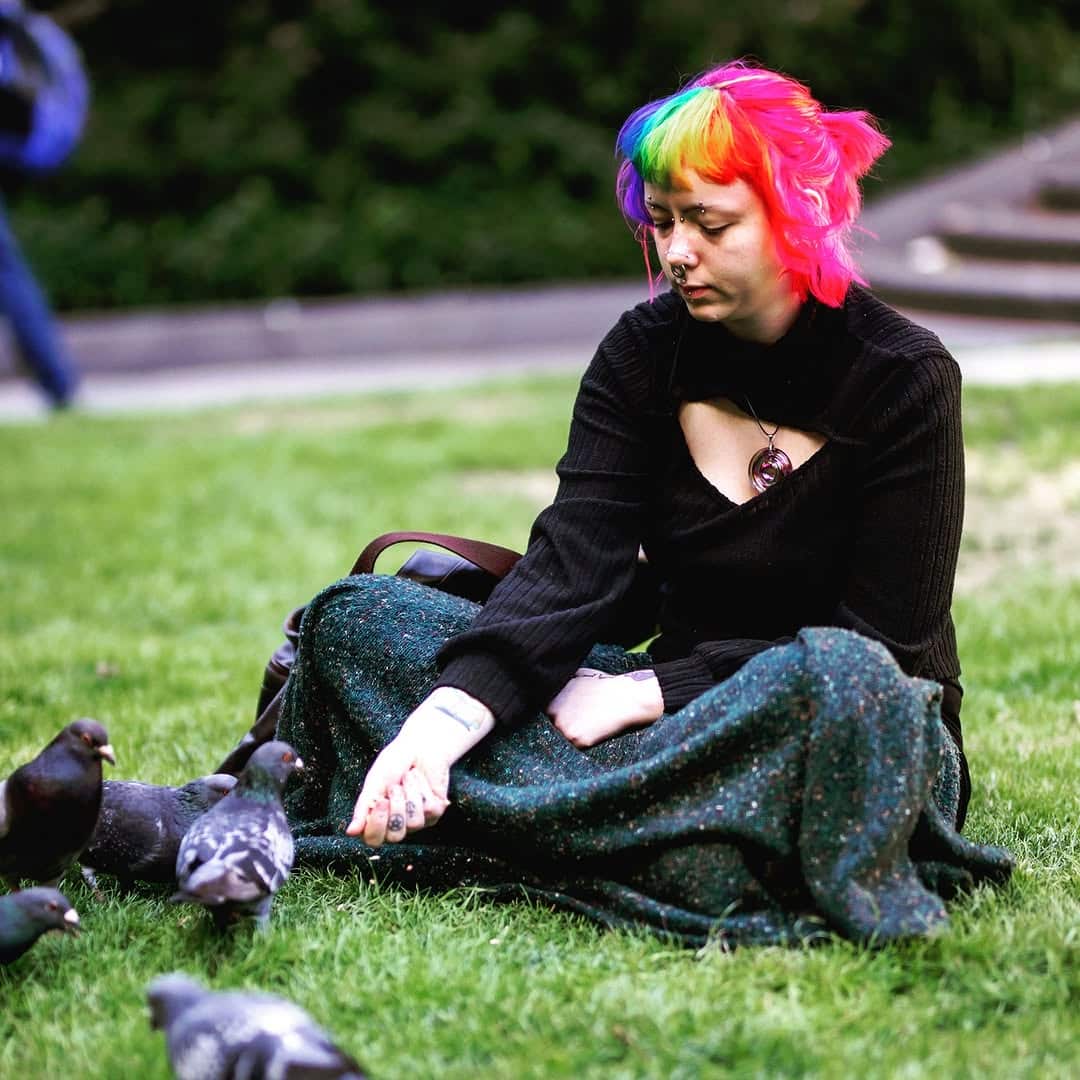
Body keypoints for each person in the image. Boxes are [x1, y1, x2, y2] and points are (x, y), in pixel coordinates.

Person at [274, 60, 1012, 947]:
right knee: (358, 617)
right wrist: (438, 729)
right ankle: (654, 837)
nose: (676, 252)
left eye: (709, 222)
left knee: (844, 682)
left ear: (797, 216)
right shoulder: (642, 352)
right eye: (661, 221)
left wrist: (652, 689)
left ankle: (529, 822)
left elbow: (887, 644)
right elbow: (568, 571)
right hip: (662, 742)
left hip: (825, 722)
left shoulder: (903, 377)